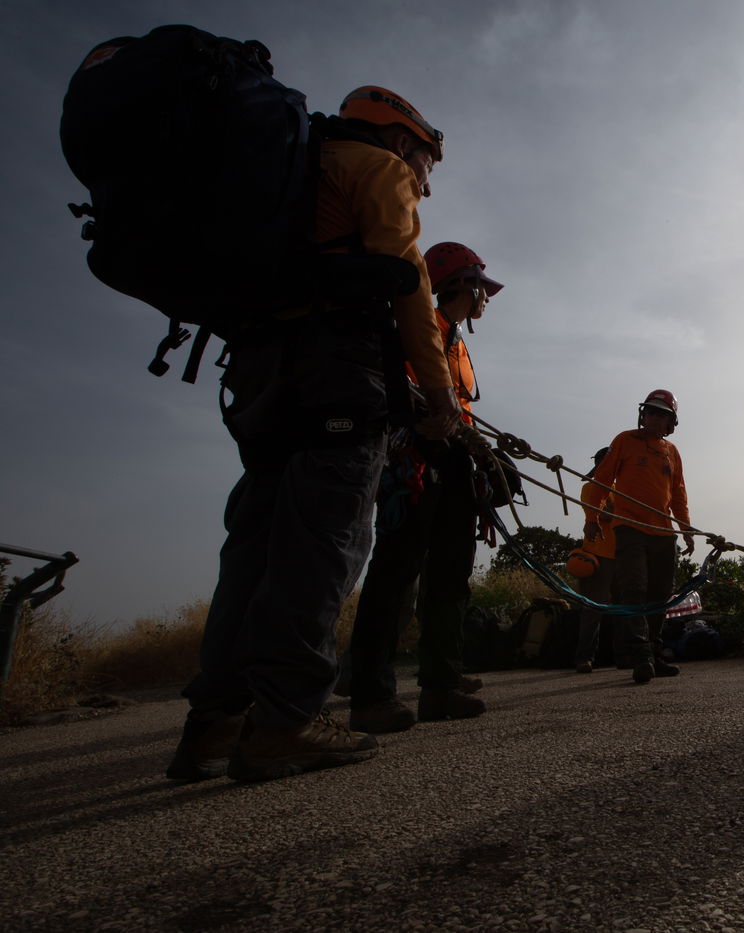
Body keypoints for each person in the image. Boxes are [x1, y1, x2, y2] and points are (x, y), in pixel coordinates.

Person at [166, 86, 458, 782]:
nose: (426, 179)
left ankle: (214, 722)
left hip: (261, 374)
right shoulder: (376, 167)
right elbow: (408, 284)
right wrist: (438, 390)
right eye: (428, 161)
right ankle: (286, 722)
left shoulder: (295, 170)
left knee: (255, 546)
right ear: (404, 139)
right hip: (337, 372)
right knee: (322, 546)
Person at [344, 242, 504, 734]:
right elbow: (401, 393)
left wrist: (483, 453)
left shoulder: (456, 342)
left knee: (451, 576)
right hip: (414, 463)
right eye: (483, 288)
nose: (487, 298)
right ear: (462, 284)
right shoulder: (417, 327)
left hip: (455, 463)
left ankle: (441, 685)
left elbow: (460, 409)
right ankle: (370, 693)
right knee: (396, 574)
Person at [586, 391, 695, 684]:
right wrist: (591, 518)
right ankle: (641, 655)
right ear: (642, 415)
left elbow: (679, 494)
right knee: (634, 589)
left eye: (662, 415)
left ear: (671, 423)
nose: (654, 418)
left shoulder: (672, 452)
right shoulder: (624, 441)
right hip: (629, 528)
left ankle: (655, 653)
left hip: (663, 532)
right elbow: (601, 480)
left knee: (660, 594)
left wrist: (685, 528)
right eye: (651, 412)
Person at [571, 447, 621, 674]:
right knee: (593, 609)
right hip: (599, 555)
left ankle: (625, 655)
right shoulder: (590, 488)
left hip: (622, 554)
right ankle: (585, 657)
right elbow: (604, 514)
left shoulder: (622, 488)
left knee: (624, 608)